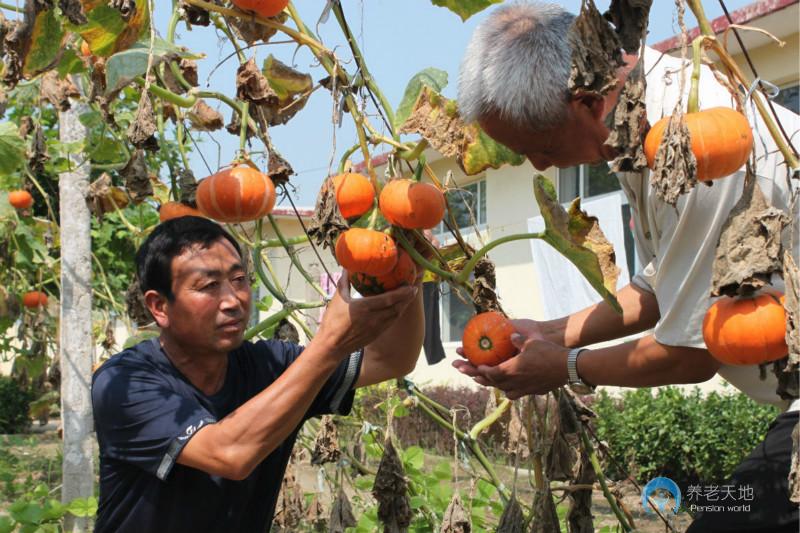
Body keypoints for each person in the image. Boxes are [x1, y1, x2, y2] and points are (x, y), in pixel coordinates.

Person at [453, 3, 799, 532]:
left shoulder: (694, 142)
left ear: (587, 100)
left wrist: (565, 368)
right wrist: (545, 334)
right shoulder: (634, 126)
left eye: (541, 147)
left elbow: (691, 353)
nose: (542, 166)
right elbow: (665, 286)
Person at [91, 216, 424, 532]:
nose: (233, 300)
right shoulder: (123, 382)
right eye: (209, 285)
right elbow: (230, 453)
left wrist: (407, 271)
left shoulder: (270, 365)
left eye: (239, 280)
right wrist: (329, 344)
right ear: (159, 307)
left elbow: (391, 360)